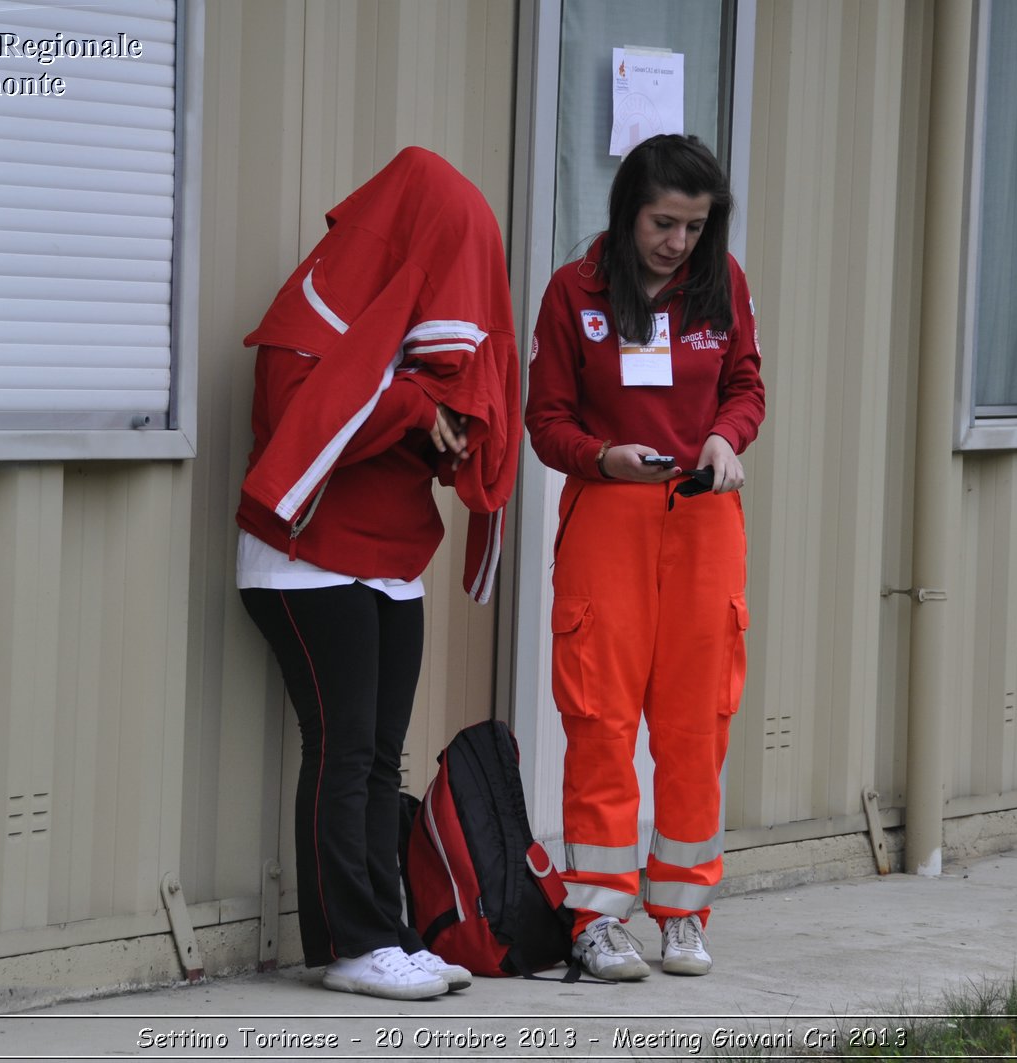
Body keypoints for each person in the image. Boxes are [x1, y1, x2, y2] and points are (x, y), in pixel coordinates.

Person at [237, 147, 520, 1000]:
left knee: (380, 759)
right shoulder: (316, 305)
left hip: (394, 562)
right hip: (303, 565)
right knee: (343, 750)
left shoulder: (407, 325)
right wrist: (414, 407)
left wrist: (455, 431)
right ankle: (350, 945)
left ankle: (386, 929)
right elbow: (301, 414)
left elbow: (418, 417)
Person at [524, 134, 764, 980]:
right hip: (611, 518)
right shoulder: (573, 292)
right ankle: (595, 915)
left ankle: (684, 910)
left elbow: (746, 388)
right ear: (629, 211)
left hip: (704, 521)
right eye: (665, 223)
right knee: (601, 719)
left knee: (697, 724)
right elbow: (545, 419)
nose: (678, 242)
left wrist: (727, 440)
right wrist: (601, 456)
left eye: (696, 226)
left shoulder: (721, 285)